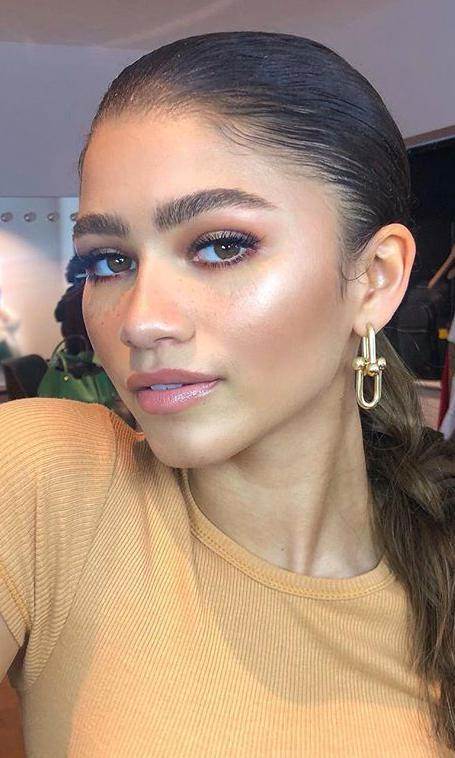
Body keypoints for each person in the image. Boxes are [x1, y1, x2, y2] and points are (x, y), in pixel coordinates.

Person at [1, 32, 455, 756]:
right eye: (109, 260)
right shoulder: (46, 482)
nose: (141, 320)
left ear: (374, 279)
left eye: (220, 246)